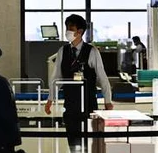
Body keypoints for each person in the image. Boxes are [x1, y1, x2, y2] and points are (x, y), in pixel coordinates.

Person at [46, 14, 113, 151]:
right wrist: (50, 98)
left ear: (80, 31)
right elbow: (56, 77)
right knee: (73, 141)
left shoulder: (92, 51)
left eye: (71, 28)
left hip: (89, 104)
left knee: (89, 142)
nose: (68, 31)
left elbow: (102, 77)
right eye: (67, 28)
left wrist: (108, 100)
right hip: (70, 105)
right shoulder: (62, 51)